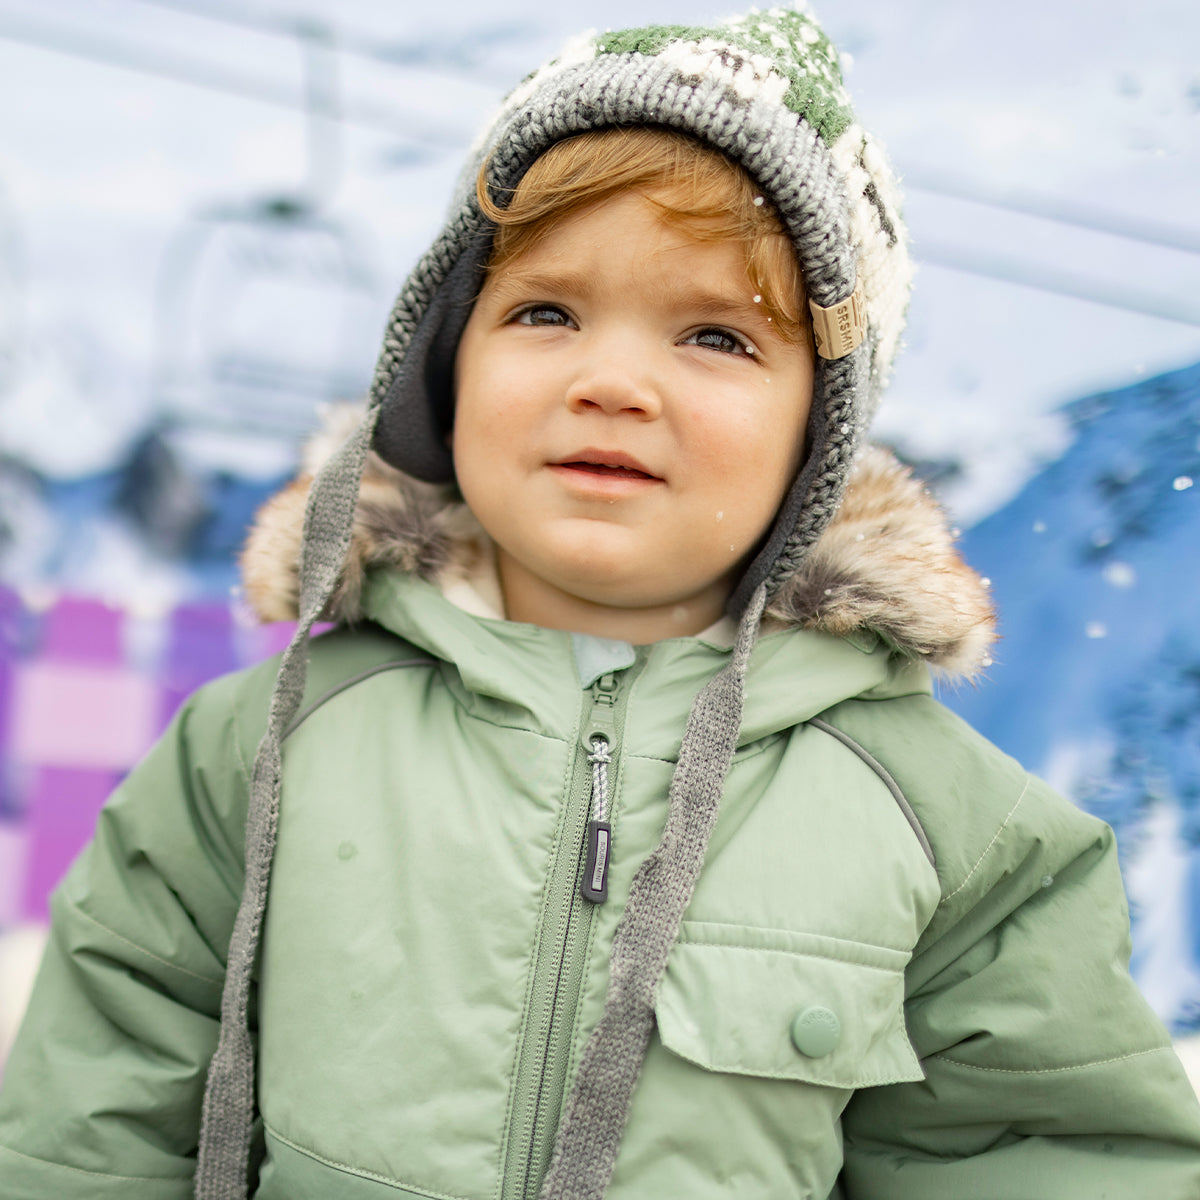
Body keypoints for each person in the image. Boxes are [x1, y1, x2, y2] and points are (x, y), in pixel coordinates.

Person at [2, 7, 1200, 1199]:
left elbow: (1047, 1157)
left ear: (817, 433)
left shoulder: (951, 828)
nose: (613, 381)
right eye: (545, 312)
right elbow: (89, 1129)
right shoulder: (260, 749)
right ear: (446, 367)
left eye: (718, 337)